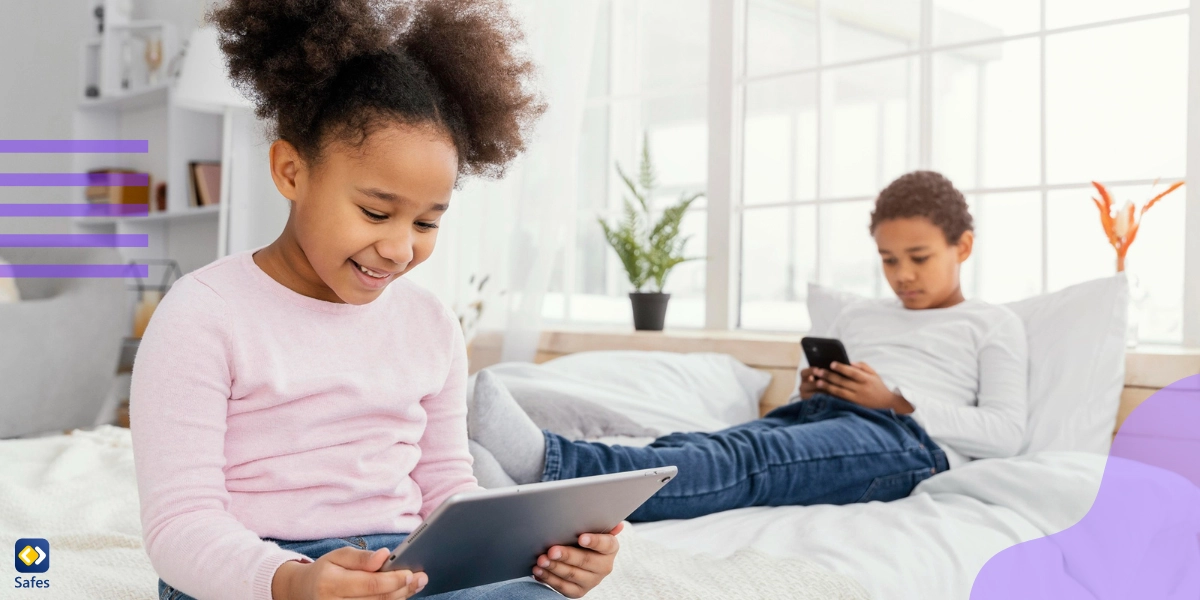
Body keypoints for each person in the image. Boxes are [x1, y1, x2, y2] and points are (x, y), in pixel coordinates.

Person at [129, 1, 623, 599]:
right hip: (255, 571)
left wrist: (542, 559)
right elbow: (178, 524)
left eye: (427, 223)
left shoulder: (430, 325)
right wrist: (291, 583)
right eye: (375, 212)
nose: (398, 248)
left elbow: (447, 487)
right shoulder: (202, 312)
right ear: (290, 171)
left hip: (406, 561)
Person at [469, 170, 1030, 522]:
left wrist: (895, 401)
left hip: (906, 440)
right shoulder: (862, 313)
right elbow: (796, 401)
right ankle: (531, 497)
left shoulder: (992, 324)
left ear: (964, 246)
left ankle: (548, 464)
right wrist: (812, 388)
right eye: (888, 259)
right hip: (827, 415)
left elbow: (1007, 433)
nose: (902, 275)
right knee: (699, 442)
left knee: (746, 462)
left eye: (919, 257)